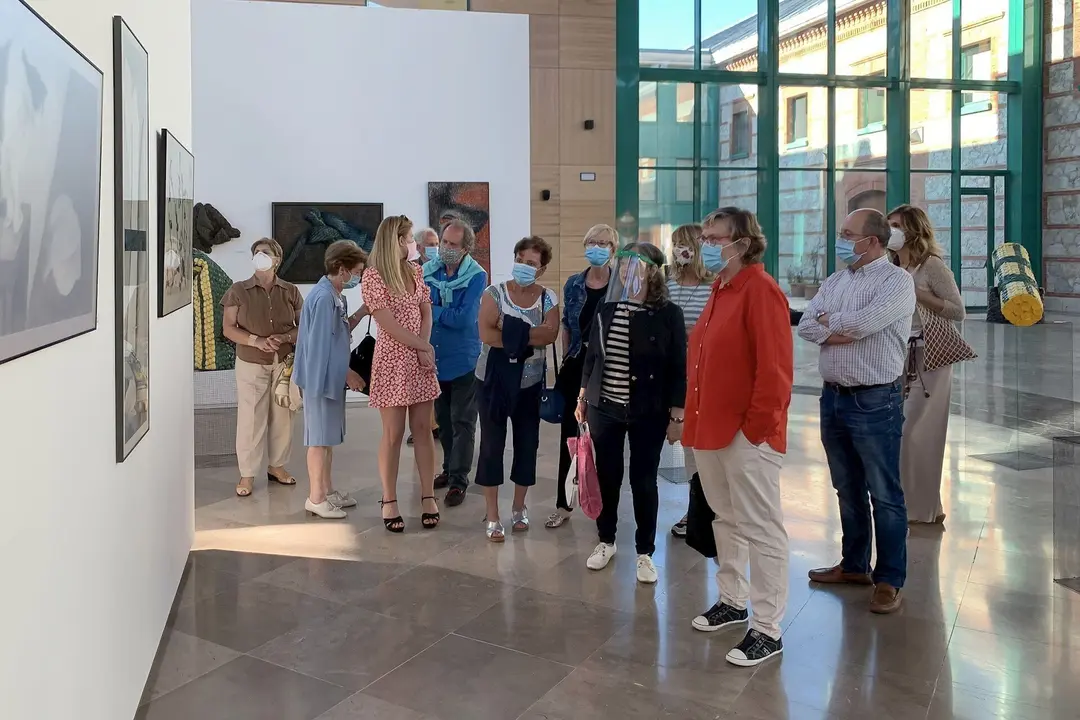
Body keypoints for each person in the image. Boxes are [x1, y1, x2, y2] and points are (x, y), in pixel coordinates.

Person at [683, 208, 793, 668]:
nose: (706, 245)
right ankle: (732, 599)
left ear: (742, 243)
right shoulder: (719, 290)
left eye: (715, 238)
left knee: (760, 527)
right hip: (710, 428)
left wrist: (756, 431)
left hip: (747, 434)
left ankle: (767, 628)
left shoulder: (761, 291)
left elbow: (775, 370)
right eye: (704, 237)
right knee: (725, 520)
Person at [797, 208, 916, 615]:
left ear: (874, 241)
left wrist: (835, 324)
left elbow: (863, 326)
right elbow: (807, 326)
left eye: (849, 234)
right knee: (846, 489)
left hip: (875, 399)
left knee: (884, 493)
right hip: (833, 397)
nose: (841, 240)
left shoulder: (897, 282)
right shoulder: (835, 280)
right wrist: (836, 327)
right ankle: (853, 565)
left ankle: (889, 579)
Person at [575, 242, 687, 585]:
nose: (626, 273)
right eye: (623, 267)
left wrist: (677, 416)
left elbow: (678, 367)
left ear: (652, 272)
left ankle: (645, 552)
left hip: (647, 410)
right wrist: (582, 395)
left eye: (634, 267)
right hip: (604, 406)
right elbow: (592, 355)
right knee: (607, 478)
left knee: (643, 481)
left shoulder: (668, 313)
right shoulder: (608, 308)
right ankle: (605, 540)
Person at [475, 236, 560, 541]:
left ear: (542, 268)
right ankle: (493, 514)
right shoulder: (493, 292)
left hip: (529, 382)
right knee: (491, 446)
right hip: (492, 380)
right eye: (521, 260)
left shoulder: (548, 297)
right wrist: (527, 334)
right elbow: (485, 333)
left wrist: (507, 329)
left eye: (532, 263)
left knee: (527, 445)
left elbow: (550, 335)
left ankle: (519, 508)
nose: (525, 267)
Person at [887, 204, 965, 525]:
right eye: (888, 224)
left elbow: (957, 310)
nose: (890, 230)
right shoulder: (891, 267)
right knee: (902, 431)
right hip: (900, 356)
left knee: (917, 432)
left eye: (896, 225)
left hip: (932, 356)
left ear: (913, 230)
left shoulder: (931, 267)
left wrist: (919, 294)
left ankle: (917, 510)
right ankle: (926, 506)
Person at [363, 215, 442, 533]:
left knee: (423, 429)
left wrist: (423, 347)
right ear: (394, 241)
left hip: (419, 357)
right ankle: (389, 499)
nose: (413, 244)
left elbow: (426, 309)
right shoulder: (373, 276)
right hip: (393, 361)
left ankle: (428, 496)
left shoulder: (415, 270)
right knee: (394, 434)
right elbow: (388, 325)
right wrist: (422, 347)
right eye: (409, 238)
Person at [221, 238, 304, 498]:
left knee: (283, 415)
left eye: (265, 253)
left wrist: (286, 338)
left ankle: (277, 466)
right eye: (256, 253)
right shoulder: (238, 290)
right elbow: (228, 328)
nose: (260, 256)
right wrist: (256, 341)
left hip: (283, 362)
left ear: (277, 260)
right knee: (250, 418)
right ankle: (247, 473)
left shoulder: (290, 291)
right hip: (250, 363)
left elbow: (304, 327)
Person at [292, 240, 369, 519]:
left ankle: (326, 489)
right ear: (341, 268)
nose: (357, 277)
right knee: (318, 440)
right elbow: (321, 345)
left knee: (328, 438)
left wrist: (362, 312)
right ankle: (316, 498)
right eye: (356, 271)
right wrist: (347, 372)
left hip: (329, 378)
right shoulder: (324, 298)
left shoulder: (336, 295)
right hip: (319, 379)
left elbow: (341, 331)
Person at [546, 223, 616, 529]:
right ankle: (564, 503)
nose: (597, 247)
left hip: (610, 367)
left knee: (605, 437)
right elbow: (567, 325)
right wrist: (565, 360)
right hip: (577, 363)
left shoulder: (622, 285)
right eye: (592, 242)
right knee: (570, 435)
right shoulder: (575, 283)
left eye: (603, 243)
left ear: (613, 249)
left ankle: (604, 507)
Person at [423, 218, 487, 507]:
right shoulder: (428, 272)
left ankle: (459, 480)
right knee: (444, 423)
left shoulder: (476, 276)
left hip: (463, 359)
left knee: (463, 422)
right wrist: (435, 312)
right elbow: (416, 308)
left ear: (466, 248)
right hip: (435, 359)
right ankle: (448, 469)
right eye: (444, 242)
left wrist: (431, 310)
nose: (446, 249)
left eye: (452, 245)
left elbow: (464, 319)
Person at [664, 222, 712, 538]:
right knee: (682, 445)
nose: (682, 251)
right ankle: (694, 510)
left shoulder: (713, 286)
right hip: (670, 377)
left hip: (703, 378)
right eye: (677, 244)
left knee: (701, 449)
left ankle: (702, 512)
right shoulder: (666, 283)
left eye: (687, 244)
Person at [407, 227, 441, 447]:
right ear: (418, 247)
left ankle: (436, 425)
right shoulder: (413, 270)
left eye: (437, 243)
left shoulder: (441, 268)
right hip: (417, 335)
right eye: (430, 244)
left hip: (438, 330)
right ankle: (424, 426)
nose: (435, 249)